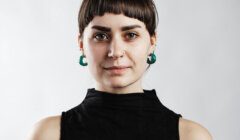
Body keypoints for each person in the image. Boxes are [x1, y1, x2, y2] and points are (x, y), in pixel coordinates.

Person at [29, 0, 212, 140]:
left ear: (152, 42)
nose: (115, 52)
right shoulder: (48, 135)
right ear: (81, 44)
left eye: (131, 35)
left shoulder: (192, 137)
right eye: (101, 36)